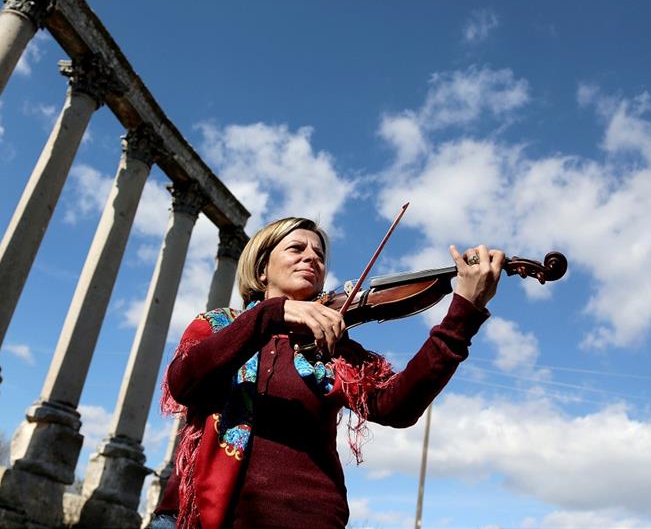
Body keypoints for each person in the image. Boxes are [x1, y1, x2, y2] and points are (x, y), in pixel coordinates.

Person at [150, 217, 504, 529]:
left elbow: (396, 407)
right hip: (191, 516)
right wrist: (272, 314)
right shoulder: (219, 327)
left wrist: (464, 313)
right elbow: (185, 383)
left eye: (319, 254)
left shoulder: (334, 347)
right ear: (262, 269)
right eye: (296, 248)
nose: (312, 257)